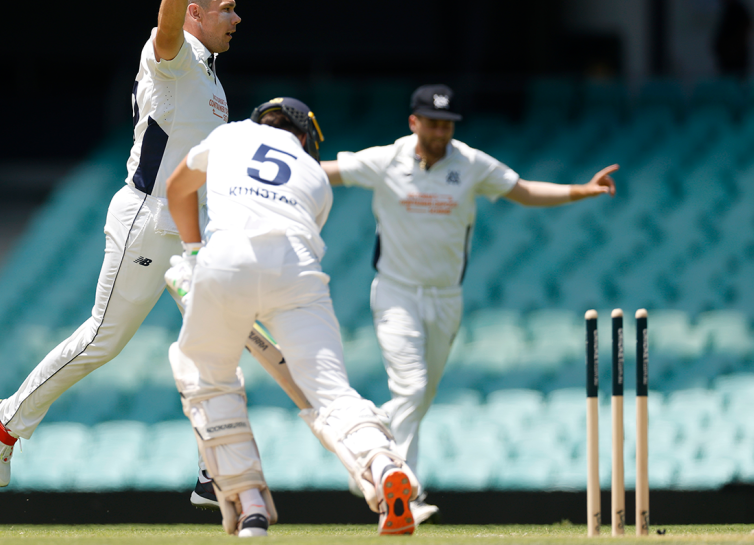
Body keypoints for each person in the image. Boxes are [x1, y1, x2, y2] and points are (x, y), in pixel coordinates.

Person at [0, 0, 241, 489]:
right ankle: (4, 423)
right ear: (196, 12)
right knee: (103, 340)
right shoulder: (172, 55)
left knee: (216, 342)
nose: (237, 19)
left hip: (191, 230)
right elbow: (166, 26)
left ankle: (213, 470)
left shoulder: (215, 84)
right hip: (147, 220)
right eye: (227, 8)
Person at [320, 84, 618, 521]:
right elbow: (325, 171)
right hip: (396, 292)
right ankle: (398, 499)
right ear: (413, 122)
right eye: (433, 123)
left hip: (446, 298)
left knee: (420, 399)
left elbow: (523, 190)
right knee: (412, 389)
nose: (441, 132)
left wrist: (581, 190)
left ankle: (365, 447)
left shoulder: (471, 163)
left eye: (448, 124)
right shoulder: (386, 159)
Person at [164, 98, 421, 537]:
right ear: (305, 137)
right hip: (298, 268)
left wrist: (192, 256)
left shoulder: (229, 135)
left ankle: (249, 505)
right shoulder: (315, 175)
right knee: (331, 392)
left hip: (226, 259)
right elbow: (297, 231)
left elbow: (177, 189)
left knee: (207, 377)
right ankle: (383, 468)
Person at [712, 0, 752, 77]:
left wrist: (732, 49)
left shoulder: (737, 7)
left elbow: (745, 28)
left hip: (735, 61)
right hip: (728, 60)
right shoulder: (727, 6)